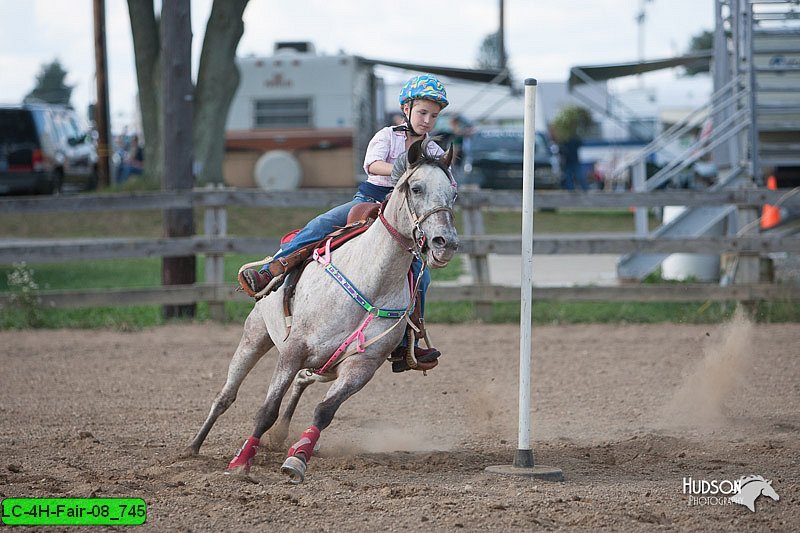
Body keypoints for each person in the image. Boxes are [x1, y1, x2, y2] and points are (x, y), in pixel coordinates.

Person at [239, 74, 454, 372]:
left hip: (404, 214)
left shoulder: (431, 150)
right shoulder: (387, 136)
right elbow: (372, 165)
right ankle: (270, 271)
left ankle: (408, 340)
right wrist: (405, 173)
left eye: (434, 115)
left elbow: (444, 178)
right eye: (422, 112)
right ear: (406, 109)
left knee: (421, 275)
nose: (428, 120)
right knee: (320, 225)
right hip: (370, 200)